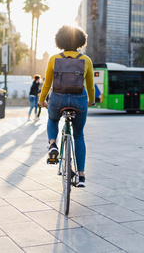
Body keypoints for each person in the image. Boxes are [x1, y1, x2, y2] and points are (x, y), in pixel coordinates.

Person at [38, 25, 95, 188]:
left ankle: (52, 144)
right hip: (79, 100)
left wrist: (42, 100)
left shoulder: (53, 59)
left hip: (58, 99)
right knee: (78, 135)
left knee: (53, 119)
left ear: (60, 40)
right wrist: (91, 100)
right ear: (80, 41)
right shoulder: (86, 60)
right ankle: (81, 176)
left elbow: (47, 84)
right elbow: (90, 86)